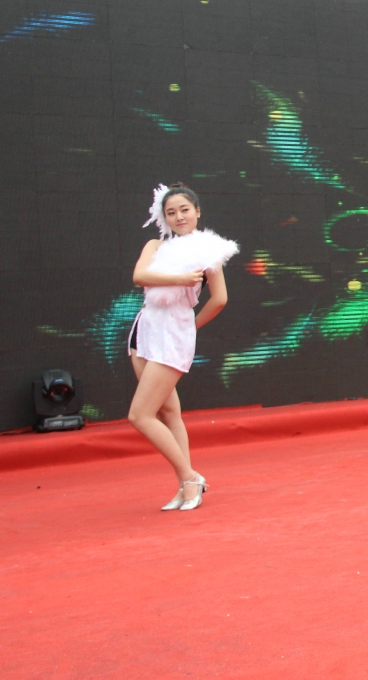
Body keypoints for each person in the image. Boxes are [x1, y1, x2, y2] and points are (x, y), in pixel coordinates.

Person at [127, 183, 237, 511]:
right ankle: (185, 485)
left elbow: (220, 299)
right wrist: (179, 279)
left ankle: (190, 477)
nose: (179, 217)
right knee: (167, 412)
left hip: (173, 332)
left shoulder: (209, 251)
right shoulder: (154, 245)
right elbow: (139, 276)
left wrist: (192, 325)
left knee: (140, 415)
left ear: (197, 211)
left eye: (185, 210)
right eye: (171, 212)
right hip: (144, 331)